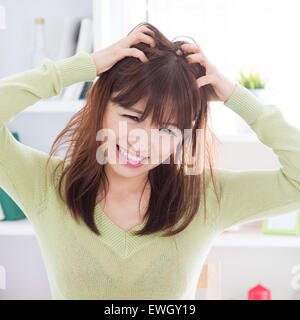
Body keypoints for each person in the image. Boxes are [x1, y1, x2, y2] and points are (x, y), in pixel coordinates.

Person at [0, 21, 299, 300]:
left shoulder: (204, 197)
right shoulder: (48, 186)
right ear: (101, 106)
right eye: (132, 116)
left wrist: (234, 95)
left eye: (167, 129)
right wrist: (87, 65)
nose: (141, 141)